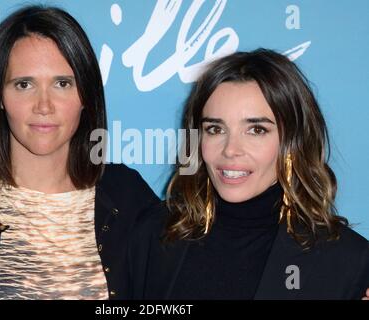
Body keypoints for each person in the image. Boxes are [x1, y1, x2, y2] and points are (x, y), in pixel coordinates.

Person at [0, 5, 160, 300]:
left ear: (86, 95)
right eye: (24, 84)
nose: (43, 106)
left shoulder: (129, 196)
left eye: (62, 83)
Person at [130, 49, 369, 299]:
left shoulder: (347, 262)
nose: (231, 150)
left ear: (293, 141)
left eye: (256, 130)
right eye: (215, 129)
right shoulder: (153, 235)